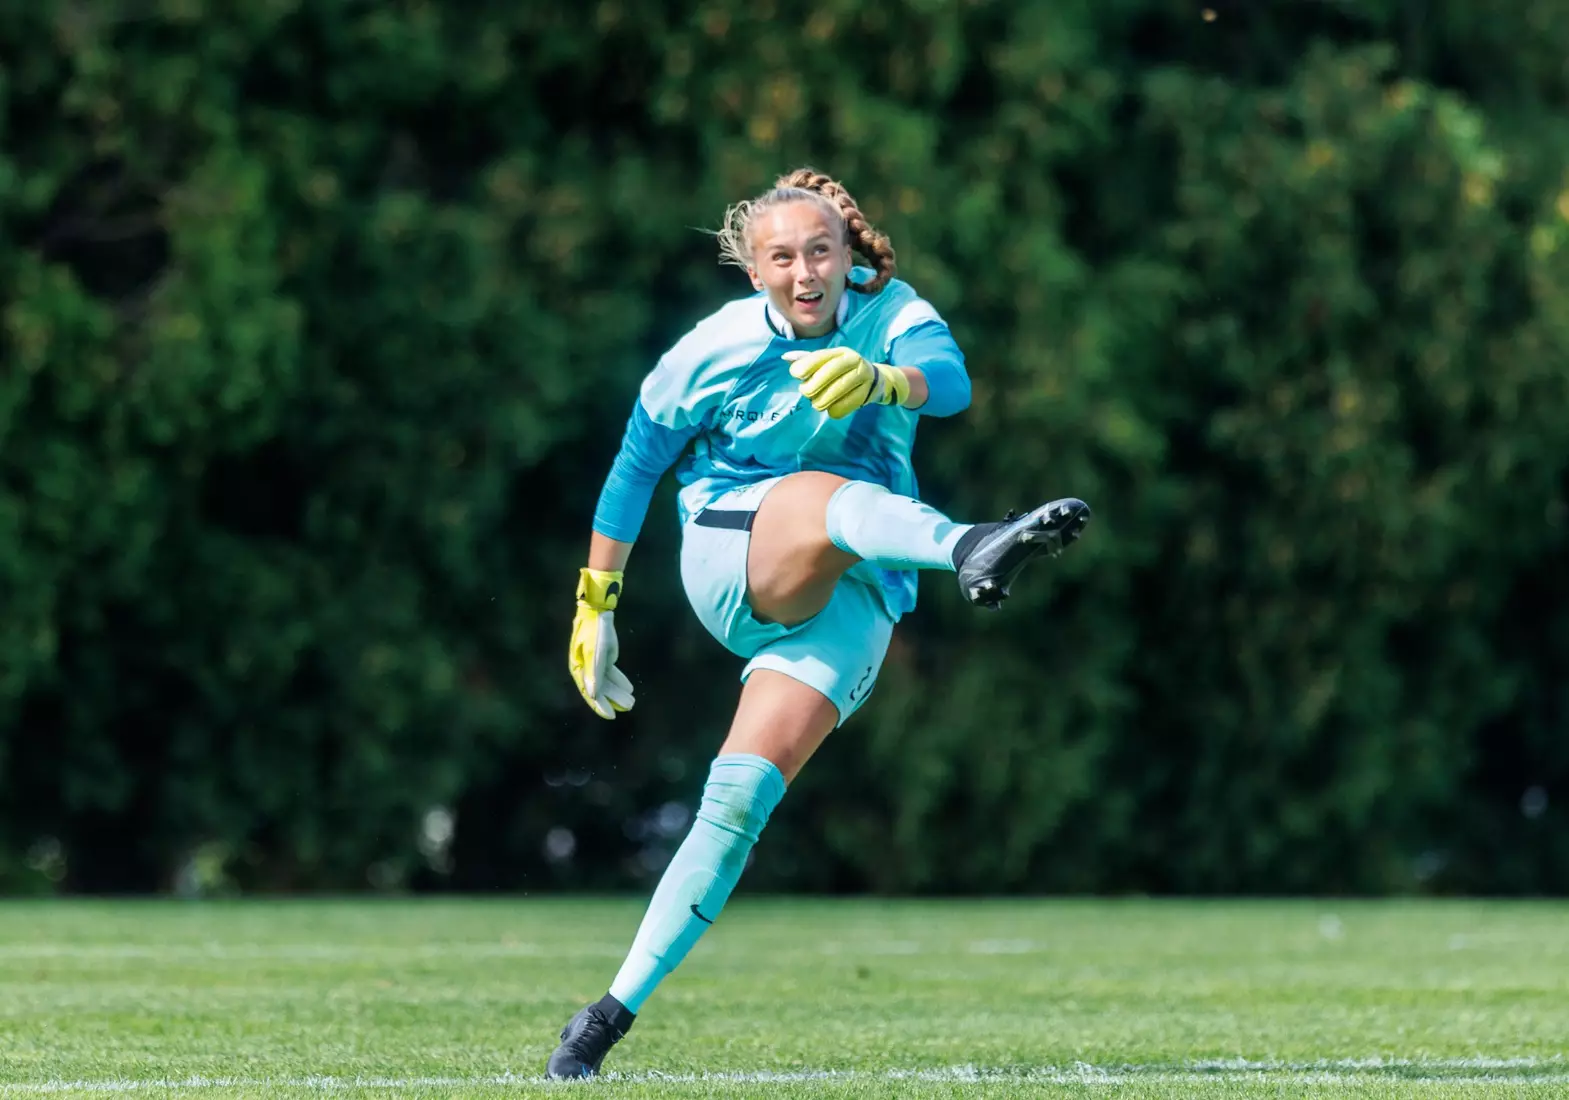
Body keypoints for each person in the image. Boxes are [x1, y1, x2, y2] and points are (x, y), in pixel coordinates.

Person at [546, 168, 1090, 1078]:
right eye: (781, 256)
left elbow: (950, 384)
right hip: (734, 559)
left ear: (847, 256)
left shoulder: (891, 311)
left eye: (820, 251)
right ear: (752, 269)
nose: (804, 271)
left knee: (737, 801)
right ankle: (970, 547)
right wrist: (594, 607)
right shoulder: (710, 347)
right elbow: (635, 466)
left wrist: (886, 378)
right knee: (820, 494)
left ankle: (603, 1019)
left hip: (858, 583)